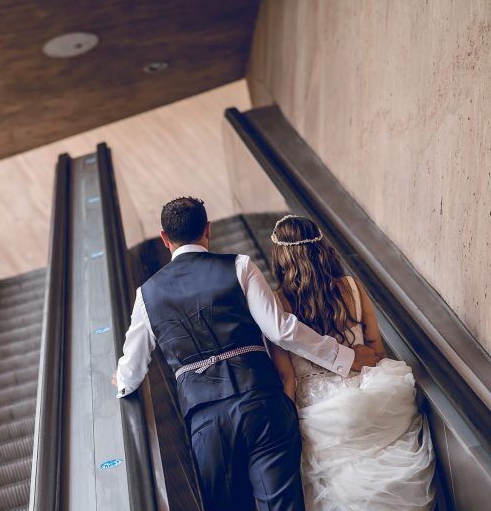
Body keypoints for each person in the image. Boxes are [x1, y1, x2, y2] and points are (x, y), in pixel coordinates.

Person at [113, 197, 378, 511]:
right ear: (207, 230)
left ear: (164, 238)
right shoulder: (239, 266)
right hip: (262, 401)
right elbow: (282, 331)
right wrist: (343, 356)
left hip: (206, 418)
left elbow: (131, 369)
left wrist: (123, 382)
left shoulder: (147, 295)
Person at [266, 214, 435, 510]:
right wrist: (358, 358)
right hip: (369, 395)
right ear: (321, 248)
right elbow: (378, 352)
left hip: (322, 418)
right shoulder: (352, 288)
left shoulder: (279, 306)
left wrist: (288, 430)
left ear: (281, 256)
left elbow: (286, 377)